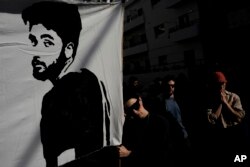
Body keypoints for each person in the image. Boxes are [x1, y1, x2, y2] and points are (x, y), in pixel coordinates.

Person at [21, 1, 113, 167]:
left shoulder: (79, 85)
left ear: (68, 49)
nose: (36, 51)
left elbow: (81, 150)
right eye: (33, 41)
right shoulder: (53, 95)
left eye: (47, 42)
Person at [205, 71, 248, 166]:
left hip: (236, 132)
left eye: (222, 84)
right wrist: (220, 103)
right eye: (218, 84)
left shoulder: (234, 97)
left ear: (225, 83)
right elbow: (211, 119)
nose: (221, 87)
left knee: (240, 158)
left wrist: (225, 103)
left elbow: (240, 116)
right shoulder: (210, 100)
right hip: (222, 136)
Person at [118, 95, 172, 167]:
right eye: (128, 112)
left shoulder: (160, 122)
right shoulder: (134, 125)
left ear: (140, 102)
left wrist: (129, 154)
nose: (134, 111)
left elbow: (158, 151)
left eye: (135, 106)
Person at [151, 75, 191, 167]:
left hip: (184, 135)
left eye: (172, 86)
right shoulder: (160, 101)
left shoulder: (180, 99)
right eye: (168, 86)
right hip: (171, 139)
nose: (170, 88)